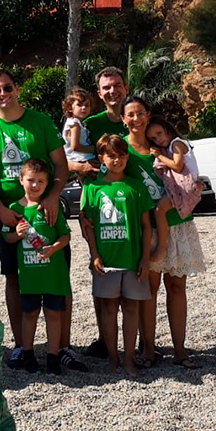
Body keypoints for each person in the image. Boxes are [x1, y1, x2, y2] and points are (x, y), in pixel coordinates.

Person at [0, 70, 84, 372]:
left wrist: (53, 196)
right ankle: (24, 347)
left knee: (58, 274)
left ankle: (62, 347)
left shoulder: (40, 121)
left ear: (16, 88)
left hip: (46, 211)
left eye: (7, 88)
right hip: (10, 212)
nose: (2, 94)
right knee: (15, 276)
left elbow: (60, 165)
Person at [121, 96, 206, 368]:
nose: (136, 119)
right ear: (123, 119)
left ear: (148, 115)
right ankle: (148, 349)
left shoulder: (166, 145)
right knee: (150, 288)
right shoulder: (122, 150)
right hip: (148, 228)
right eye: (130, 115)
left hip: (178, 223)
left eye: (141, 113)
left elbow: (187, 171)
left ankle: (180, 351)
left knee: (177, 285)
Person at [79, 134, 154, 377]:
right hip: (106, 262)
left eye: (122, 154)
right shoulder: (93, 187)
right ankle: (113, 359)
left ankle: (130, 358)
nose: (117, 159)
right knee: (108, 310)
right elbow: (88, 226)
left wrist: (145, 259)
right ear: (101, 158)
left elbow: (146, 226)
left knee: (131, 310)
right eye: (111, 155)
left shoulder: (136, 186)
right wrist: (95, 255)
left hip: (132, 261)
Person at [74, 66, 129, 360]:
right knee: (100, 267)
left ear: (126, 87)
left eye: (117, 85)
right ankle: (104, 338)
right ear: (99, 93)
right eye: (106, 87)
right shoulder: (89, 123)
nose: (112, 91)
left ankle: (139, 339)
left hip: (131, 203)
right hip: (97, 203)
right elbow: (65, 158)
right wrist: (81, 168)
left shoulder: (135, 116)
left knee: (135, 272)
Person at [1, 159, 72, 375]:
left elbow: (66, 235)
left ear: (47, 183)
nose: (35, 185)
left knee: (53, 314)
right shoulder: (14, 208)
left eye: (41, 181)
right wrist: (18, 234)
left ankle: (52, 356)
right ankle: (28, 353)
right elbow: (7, 237)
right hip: (29, 276)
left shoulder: (52, 205)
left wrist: (53, 248)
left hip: (52, 273)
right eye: (31, 180)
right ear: (21, 180)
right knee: (29, 314)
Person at [147, 115, 203, 218]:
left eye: (159, 133)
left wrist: (159, 155)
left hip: (186, 186)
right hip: (188, 185)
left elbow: (177, 166)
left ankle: (162, 235)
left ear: (167, 129)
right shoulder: (170, 146)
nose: (158, 139)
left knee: (159, 210)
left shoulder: (176, 144)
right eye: (153, 138)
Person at [62, 87, 96, 165]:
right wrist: (94, 149)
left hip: (83, 157)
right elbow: (75, 146)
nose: (83, 108)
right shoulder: (74, 124)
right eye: (79, 105)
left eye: (87, 105)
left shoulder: (79, 123)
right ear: (70, 108)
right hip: (80, 158)